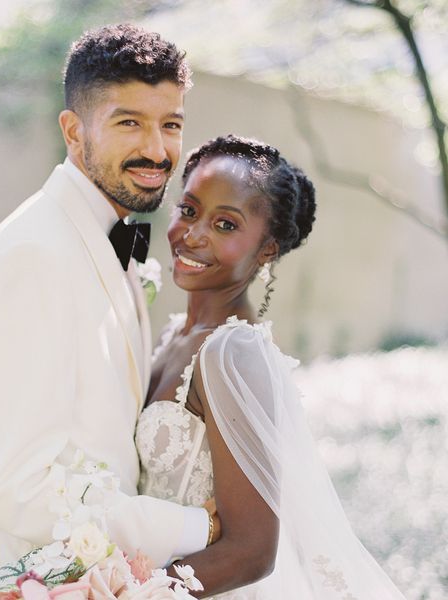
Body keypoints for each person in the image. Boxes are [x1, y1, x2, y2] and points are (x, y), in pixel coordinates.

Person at [0, 25, 219, 600]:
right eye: (129, 123)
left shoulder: (105, 238)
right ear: (74, 132)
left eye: (170, 124)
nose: (157, 148)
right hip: (32, 579)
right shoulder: (34, 253)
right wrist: (196, 526)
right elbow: (16, 487)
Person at [136, 134, 407, 598]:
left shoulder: (230, 355)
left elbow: (252, 551)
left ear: (267, 249)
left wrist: (123, 590)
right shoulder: (173, 334)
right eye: (188, 210)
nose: (193, 234)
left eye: (225, 224)